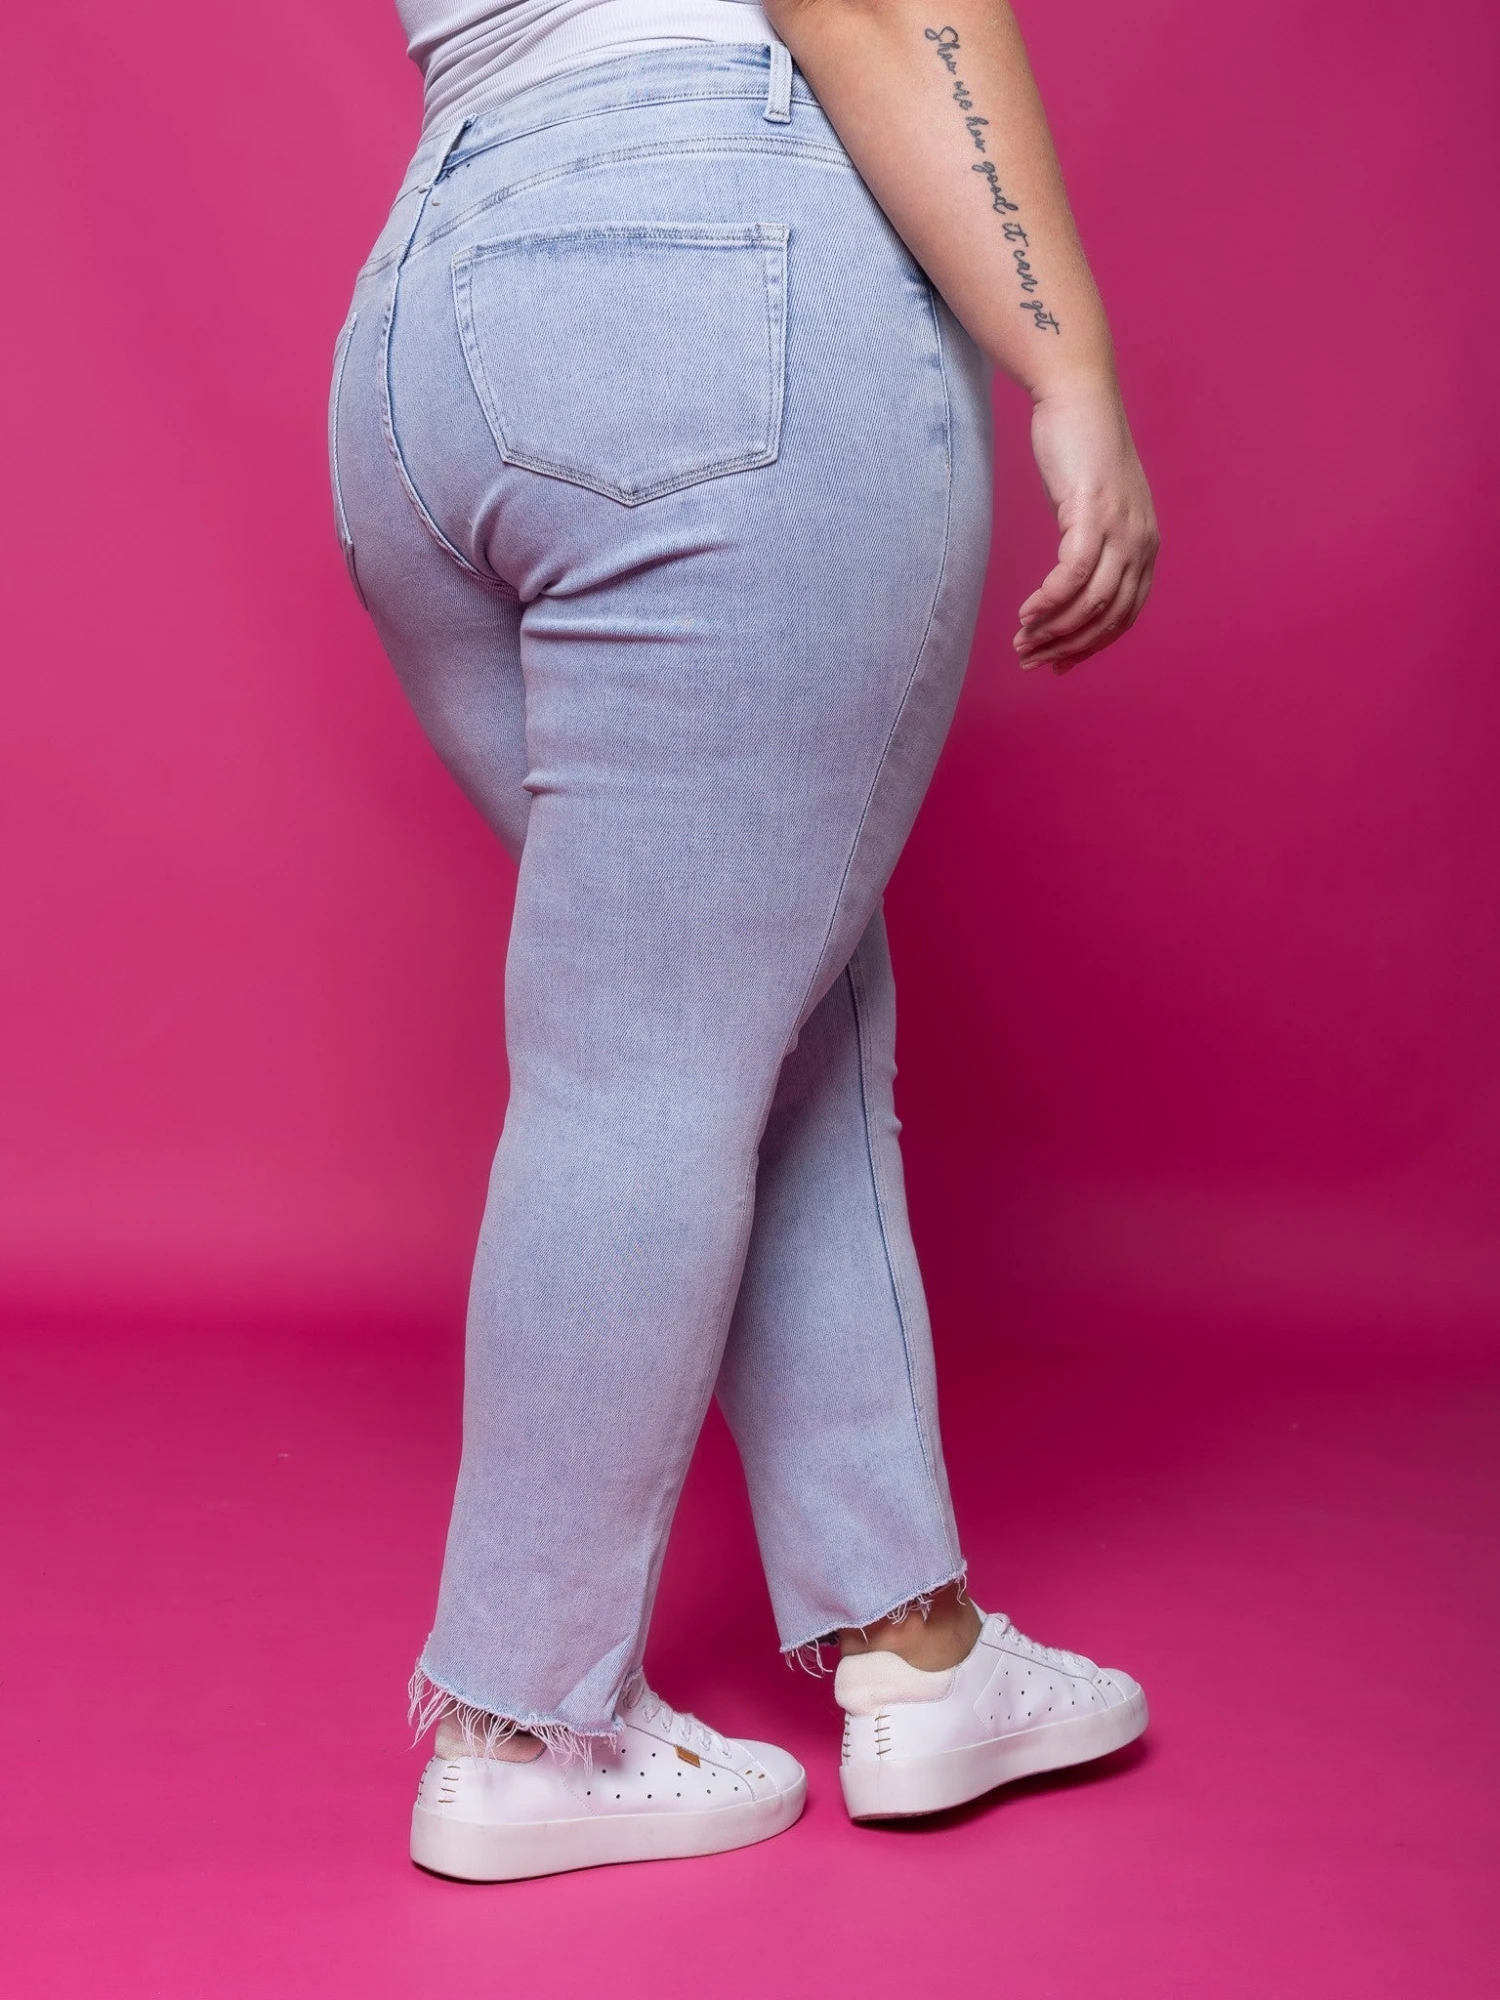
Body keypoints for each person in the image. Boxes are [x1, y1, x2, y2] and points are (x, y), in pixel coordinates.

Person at [329, 0, 1159, 1882]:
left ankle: (916, 1643)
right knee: (656, 1047)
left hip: (426, 314)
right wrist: (1070, 363)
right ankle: (526, 1722)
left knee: (743, 995)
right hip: (705, 272)